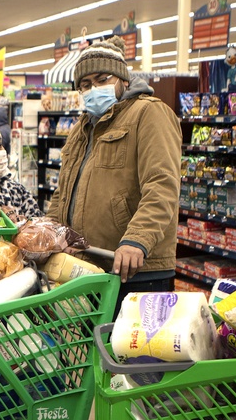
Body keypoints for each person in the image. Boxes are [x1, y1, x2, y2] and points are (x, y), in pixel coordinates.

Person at [45, 36, 182, 299]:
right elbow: (63, 193)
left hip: (137, 268)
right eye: (86, 84)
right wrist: (50, 235)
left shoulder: (149, 113)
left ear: (123, 80)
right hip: (87, 265)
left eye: (102, 79)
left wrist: (137, 240)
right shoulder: (81, 128)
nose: (94, 88)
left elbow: (162, 184)